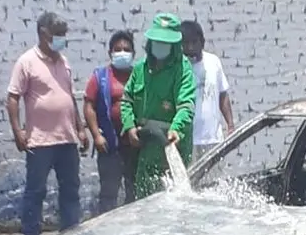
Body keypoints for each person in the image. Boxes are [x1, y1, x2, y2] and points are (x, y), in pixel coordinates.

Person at [6, 12, 90, 235]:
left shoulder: (64, 62)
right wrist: (17, 130)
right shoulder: (27, 62)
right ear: (44, 33)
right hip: (40, 141)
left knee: (70, 190)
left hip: (67, 139)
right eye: (58, 35)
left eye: (64, 35)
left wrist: (80, 128)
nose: (62, 39)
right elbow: (12, 98)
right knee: (36, 190)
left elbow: (69, 97)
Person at [120, 13, 197, 199]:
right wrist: (129, 127)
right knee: (143, 200)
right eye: (157, 42)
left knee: (173, 201)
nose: (160, 47)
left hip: (172, 147)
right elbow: (127, 100)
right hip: (145, 147)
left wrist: (176, 128)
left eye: (165, 43)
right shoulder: (140, 69)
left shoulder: (182, 70)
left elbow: (186, 105)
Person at [83, 30, 138, 214]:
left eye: (126, 49)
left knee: (135, 192)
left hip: (134, 145)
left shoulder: (140, 75)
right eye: (118, 49)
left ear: (133, 54)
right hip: (109, 145)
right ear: (110, 53)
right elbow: (89, 106)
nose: (122, 53)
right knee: (109, 193)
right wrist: (96, 135)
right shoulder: (100, 77)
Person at [180, 20, 234, 159]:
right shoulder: (177, 67)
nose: (190, 47)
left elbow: (223, 95)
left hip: (213, 139)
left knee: (215, 180)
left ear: (202, 42)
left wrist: (230, 125)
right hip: (187, 141)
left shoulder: (213, 62)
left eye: (194, 42)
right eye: (186, 43)